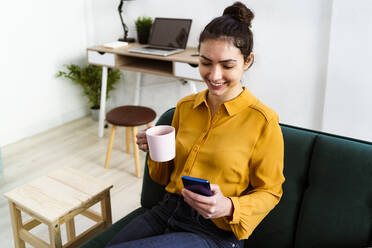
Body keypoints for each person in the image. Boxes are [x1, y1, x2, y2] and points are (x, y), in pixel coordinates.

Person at [105, 2, 285, 248]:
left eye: (227, 65)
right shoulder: (186, 106)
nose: (214, 75)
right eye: (206, 62)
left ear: (247, 61)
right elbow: (162, 176)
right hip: (166, 210)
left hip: (215, 232)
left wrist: (229, 206)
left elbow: (271, 192)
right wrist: (154, 150)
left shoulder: (262, 121)